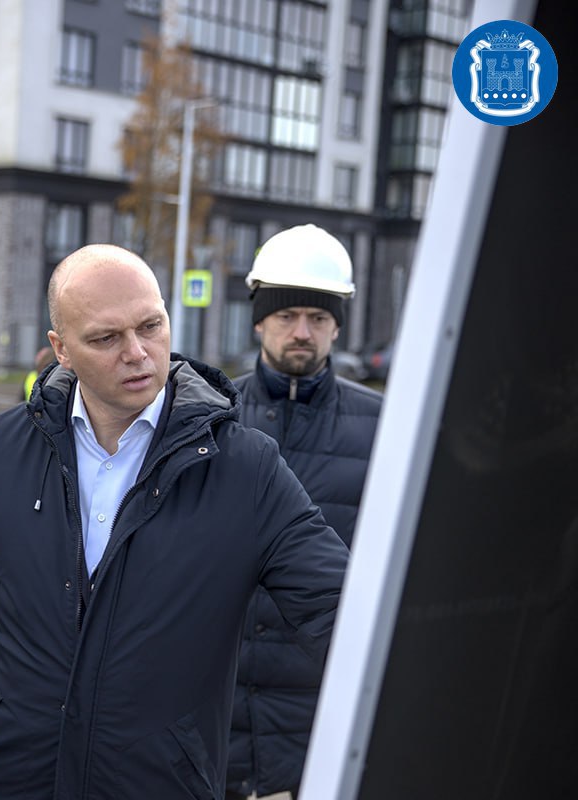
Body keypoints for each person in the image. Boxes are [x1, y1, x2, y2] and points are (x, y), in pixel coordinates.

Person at [0, 243, 350, 799]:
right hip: (1, 782)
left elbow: (343, 618)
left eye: (151, 326)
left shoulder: (246, 468)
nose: (137, 353)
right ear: (61, 350)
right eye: (106, 338)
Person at [225, 225, 383, 800]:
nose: (302, 332)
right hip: (214, 717)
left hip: (318, 721)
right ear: (259, 319)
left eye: (318, 318)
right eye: (287, 314)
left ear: (337, 325)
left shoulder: (385, 429)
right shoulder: (208, 418)